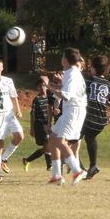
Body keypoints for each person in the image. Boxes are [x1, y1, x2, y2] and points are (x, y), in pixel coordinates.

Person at [81, 55, 110, 179]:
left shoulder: (88, 79)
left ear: (93, 67)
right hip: (101, 121)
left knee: (70, 142)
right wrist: (108, 103)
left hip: (87, 117)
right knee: (90, 138)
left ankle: (79, 169)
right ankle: (93, 165)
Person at [48, 49, 88, 186]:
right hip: (69, 110)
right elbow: (69, 91)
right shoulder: (71, 73)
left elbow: (66, 96)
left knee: (60, 140)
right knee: (53, 138)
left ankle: (78, 170)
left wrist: (50, 87)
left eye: (62, 56)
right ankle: (56, 176)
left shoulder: (72, 74)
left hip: (74, 111)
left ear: (65, 60)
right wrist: (59, 84)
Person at [22, 75, 53, 172]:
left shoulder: (50, 97)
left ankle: (27, 160)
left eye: (43, 85)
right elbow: (33, 114)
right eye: (39, 86)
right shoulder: (37, 99)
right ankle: (50, 165)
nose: (42, 87)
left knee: (46, 147)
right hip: (40, 125)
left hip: (49, 123)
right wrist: (32, 128)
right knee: (47, 143)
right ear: (37, 88)